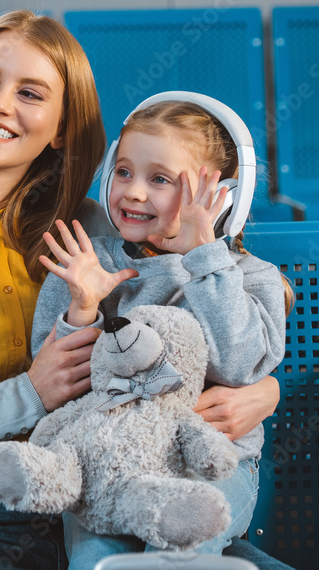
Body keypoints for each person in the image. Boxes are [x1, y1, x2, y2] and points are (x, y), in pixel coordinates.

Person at [0, 13, 281, 570]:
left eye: (30, 93)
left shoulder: (99, 227)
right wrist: (29, 393)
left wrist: (261, 391)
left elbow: (212, 293)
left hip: (113, 482)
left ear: (62, 128)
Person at [31, 96, 289, 566]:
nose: (132, 192)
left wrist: (204, 257)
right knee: (96, 561)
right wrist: (83, 307)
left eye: (161, 180)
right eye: (124, 172)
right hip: (108, 462)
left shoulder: (248, 276)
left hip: (206, 460)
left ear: (223, 199)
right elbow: (57, 388)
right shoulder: (94, 263)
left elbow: (236, 365)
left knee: (178, 547)